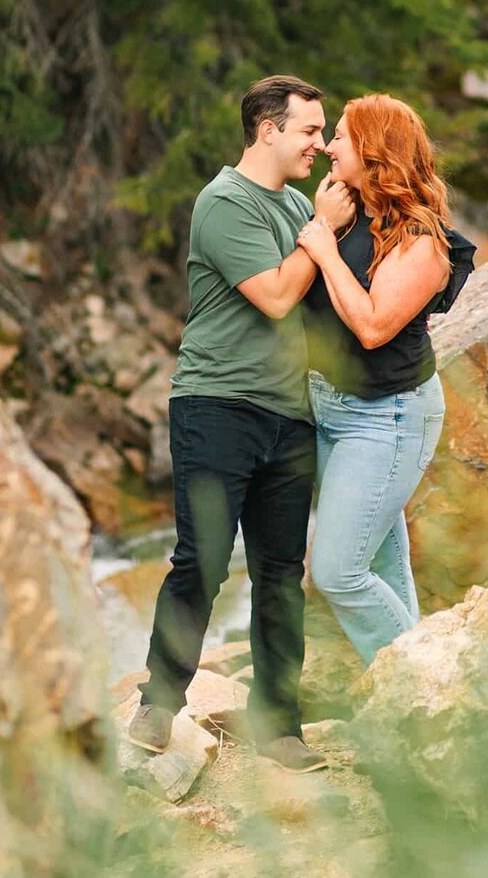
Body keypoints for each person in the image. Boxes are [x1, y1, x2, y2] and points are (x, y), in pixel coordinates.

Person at [128, 74, 354, 772]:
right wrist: (322, 233)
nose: (319, 144)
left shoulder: (297, 206)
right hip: (217, 405)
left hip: (290, 414)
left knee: (281, 575)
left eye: (322, 133)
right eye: (309, 131)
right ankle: (159, 701)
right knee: (201, 559)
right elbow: (279, 296)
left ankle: (278, 724)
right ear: (267, 130)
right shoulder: (225, 202)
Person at [296, 94, 475, 665]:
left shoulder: (421, 240)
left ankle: (429, 682)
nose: (328, 146)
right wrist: (329, 228)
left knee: (338, 571)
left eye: (341, 137)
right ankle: (417, 706)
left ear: (375, 152)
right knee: (376, 564)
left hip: (387, 417)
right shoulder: (351, 212)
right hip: (330, 408)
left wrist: (322, 246)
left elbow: (373, 327)